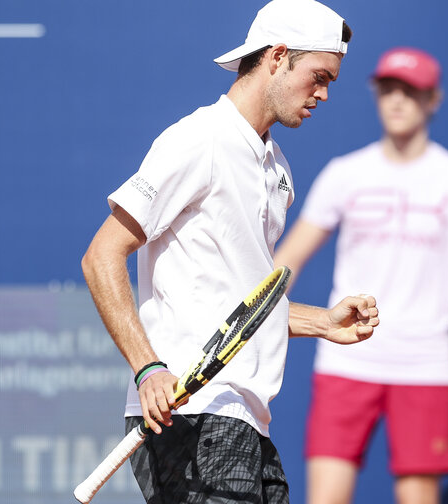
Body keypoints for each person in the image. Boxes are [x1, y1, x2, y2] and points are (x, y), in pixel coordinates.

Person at [80, 1, 380, 502]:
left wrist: (322, 322)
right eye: (318, 76)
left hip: (246, 418)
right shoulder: (200, 139)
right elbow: (101, 255)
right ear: (278, 56)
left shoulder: (276, 170)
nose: (324, 94)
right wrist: (148, 367)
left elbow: (239, 306)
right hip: (190, 415)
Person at [274, 47, 448, 504]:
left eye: (411, 91)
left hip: (425, 365)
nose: (398, 101)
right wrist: (244, 323)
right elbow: (287, 262)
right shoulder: (345, 174)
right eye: (388, 90)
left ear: (433, 100)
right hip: (346, 359)